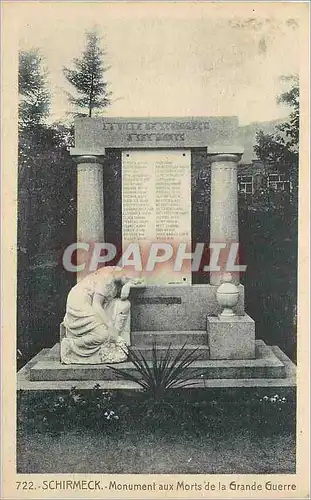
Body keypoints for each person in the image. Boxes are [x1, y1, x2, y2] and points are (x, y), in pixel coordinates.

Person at [60, 267, 142, 364]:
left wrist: (127, 285)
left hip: (91, 304)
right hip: (80, 304)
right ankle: (70, 345)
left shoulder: (117, 277)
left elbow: (139, 282)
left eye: (129, 279)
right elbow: (97, 305)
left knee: (124, 305)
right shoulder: (107, 278)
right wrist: (110, 325)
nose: (127, 279)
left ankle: (112, 342)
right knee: (102, 335)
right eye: (126, 277)